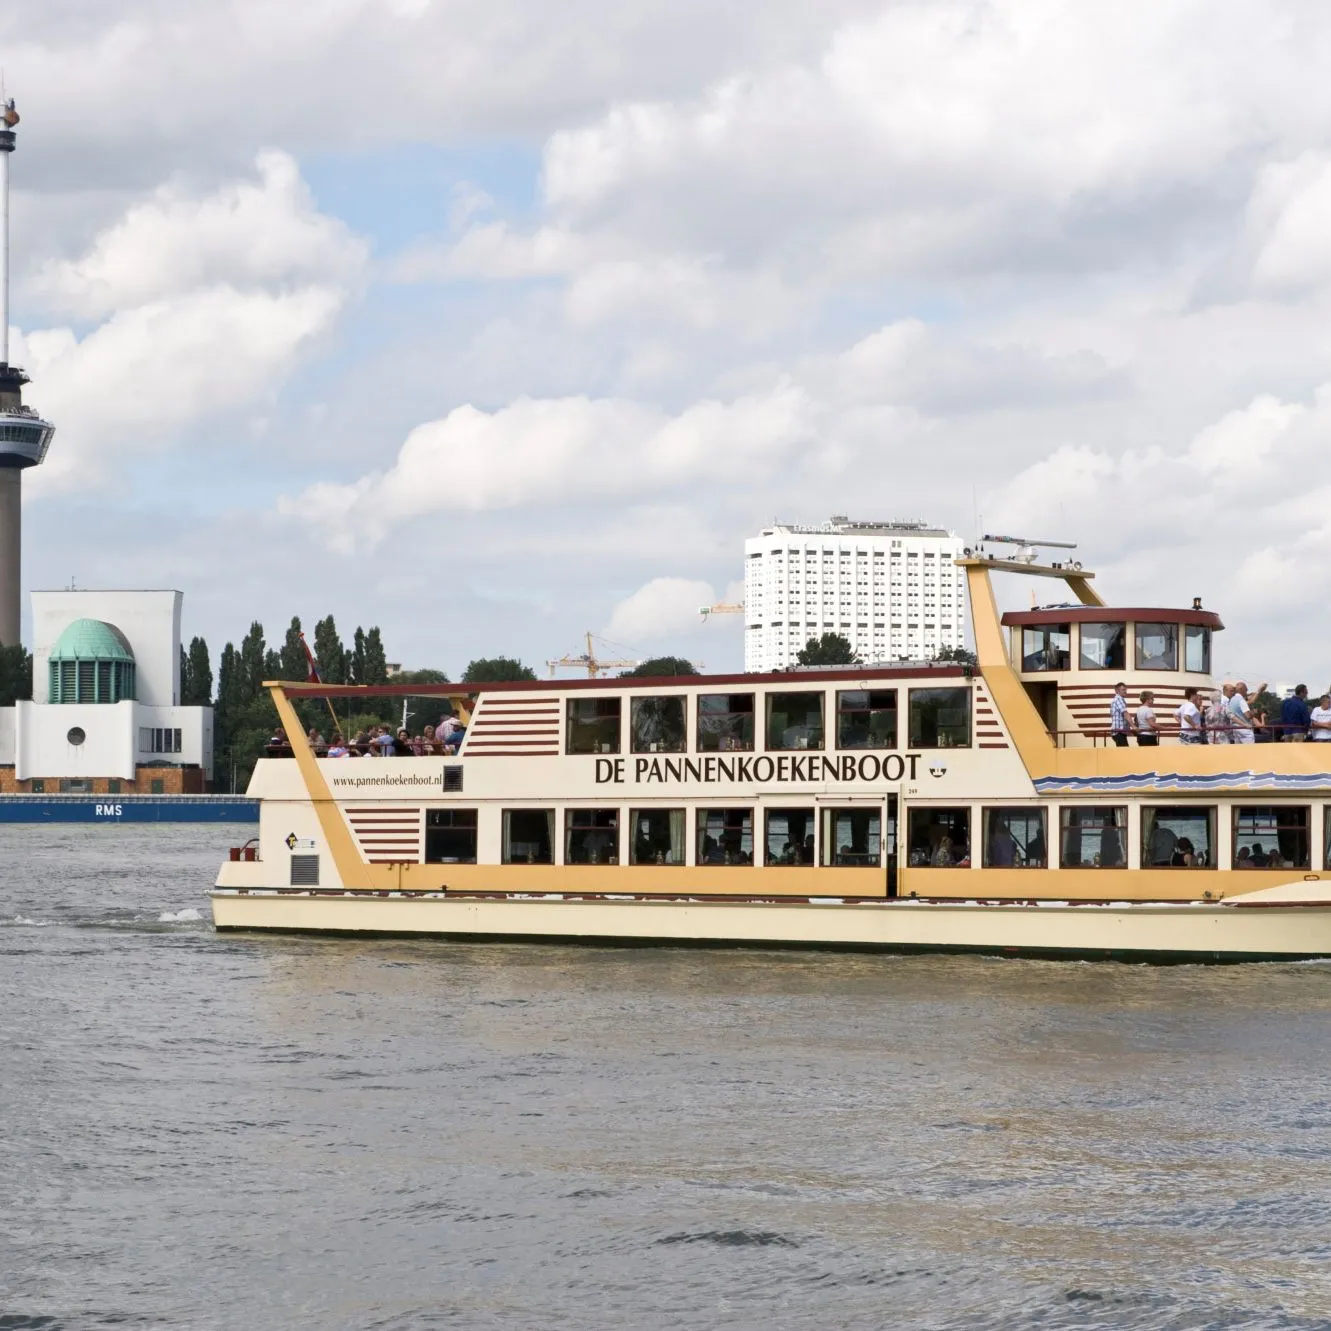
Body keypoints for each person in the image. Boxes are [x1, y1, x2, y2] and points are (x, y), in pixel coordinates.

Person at [1109, 682, 1130, 747]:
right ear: (1117, 691)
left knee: (1124, 753)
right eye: (1123, 690)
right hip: (1118, 731)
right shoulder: (1118, 699)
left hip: (1119, 731)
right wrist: (1134, 726)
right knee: (1125, 754)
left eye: (1126, 689)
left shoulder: (1117, 700)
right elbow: (1125, 713)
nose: (1125, 691)